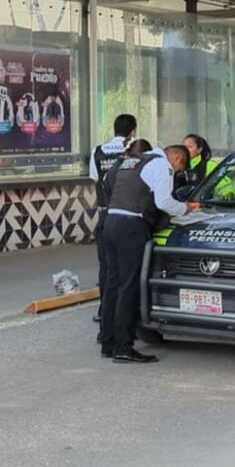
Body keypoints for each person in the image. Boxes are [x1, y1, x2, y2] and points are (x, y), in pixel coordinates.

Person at [100, 143, 195, 364]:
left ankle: (108, 342)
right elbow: (163, 201)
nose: (177, 173)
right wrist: (186, 208)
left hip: (111, 223)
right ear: (178, 159)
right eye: (179, 169)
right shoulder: (161, 165)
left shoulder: (132, 161)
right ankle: (124, 347)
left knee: (113, 284)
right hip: (132, 226)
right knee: (129, 286)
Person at [89, 114, 137, 324]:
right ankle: (123, 313)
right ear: (133, 131)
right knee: (125, 268)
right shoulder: (132, 153)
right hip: (126, 215)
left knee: (106, 267)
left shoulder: (98, 151)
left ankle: (104, 311)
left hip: (104, 213)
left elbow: (95, 178)